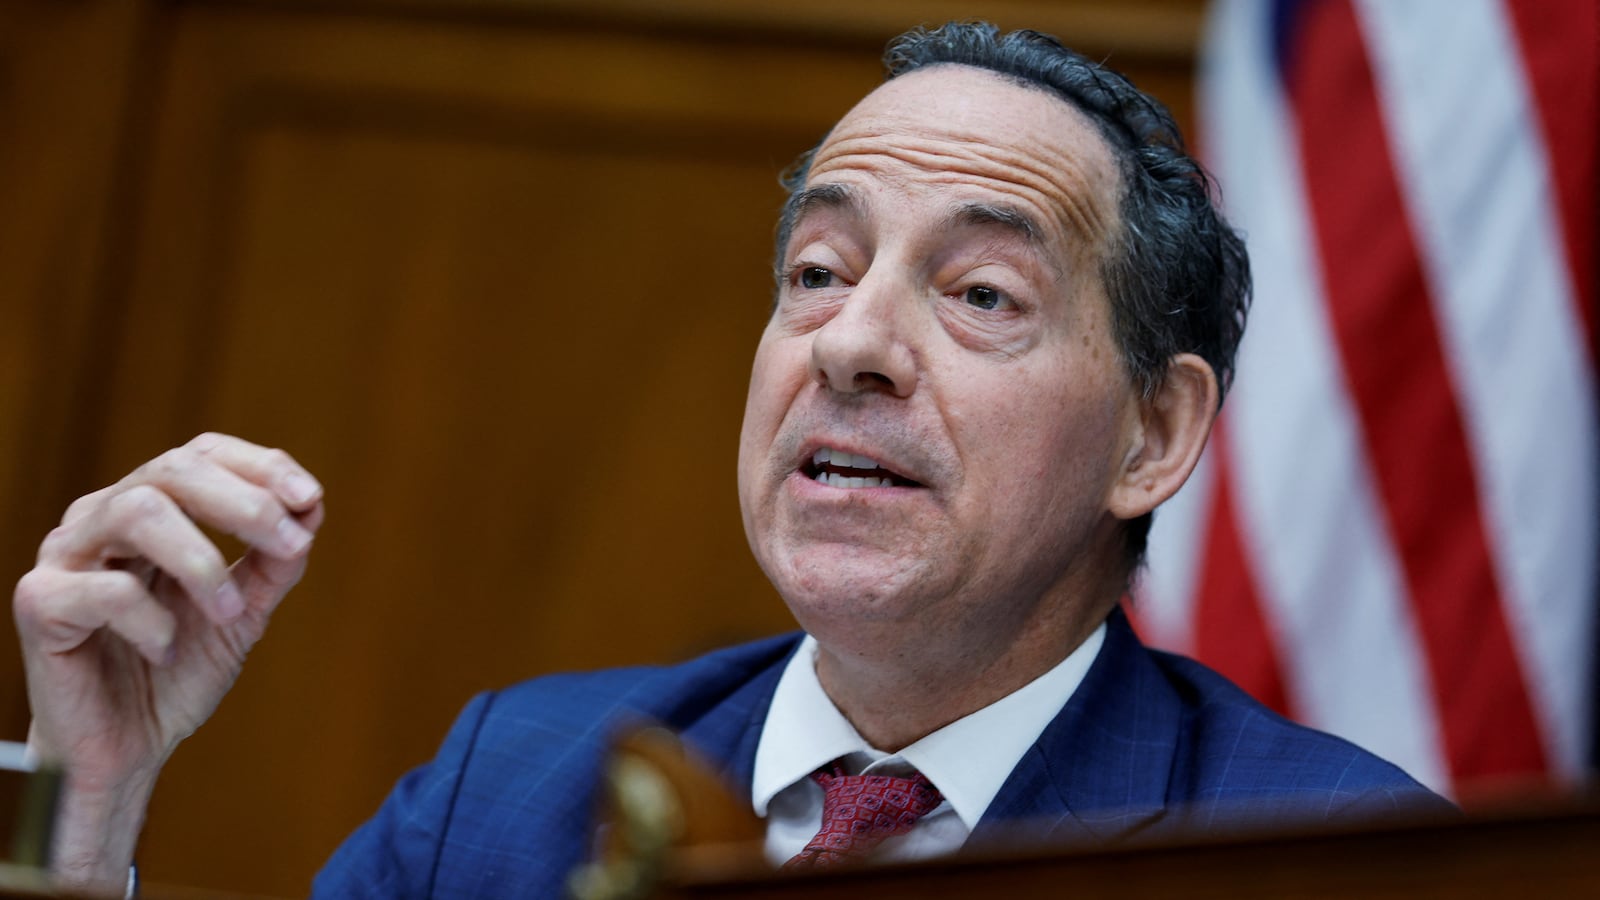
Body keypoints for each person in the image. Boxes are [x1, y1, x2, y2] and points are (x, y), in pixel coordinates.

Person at [11, 21, 1448, 898]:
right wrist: (84, 816)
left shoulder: (1328, 857)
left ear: (1155, 434)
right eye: (820, 271)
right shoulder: (501, 787)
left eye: (983, 296)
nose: (852, 346)